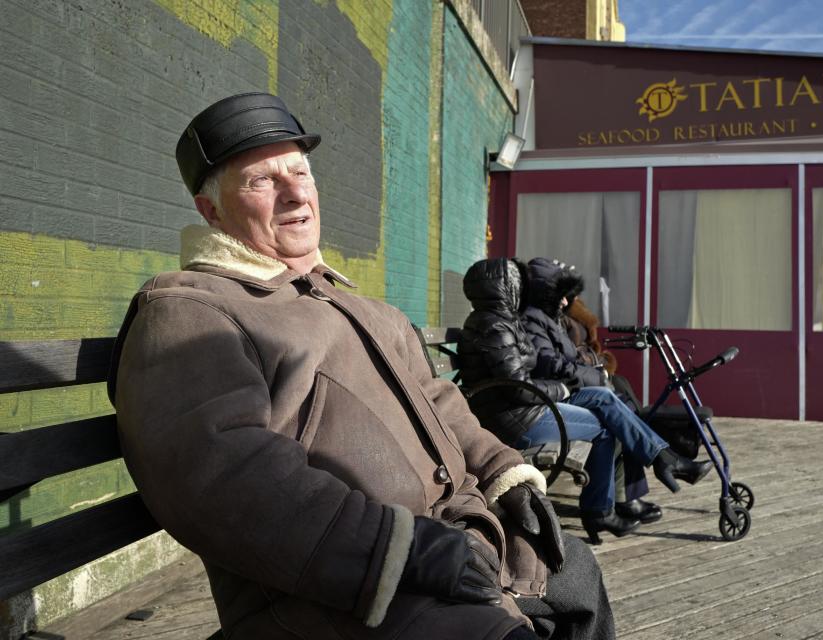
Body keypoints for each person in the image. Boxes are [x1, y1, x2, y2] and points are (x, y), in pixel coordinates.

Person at [108, 93, 613, 640]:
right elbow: (225, 476)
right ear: (211, 211)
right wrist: (401, 550)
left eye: (301, 171)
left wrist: (502, 473)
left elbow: (438, 397)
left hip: (462, 538)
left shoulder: (356, 305)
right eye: (261, 181)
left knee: (578, 573)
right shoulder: (191, 309)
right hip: (338, 595)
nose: (295, 193)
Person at [457, 257, 706, 544]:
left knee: (604, 397)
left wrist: (565, 381)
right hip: (516, 419)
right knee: (606, 426)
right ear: (503, 287)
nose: (519, 288)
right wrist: (561, 389)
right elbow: (517, 388)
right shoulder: (494, 326)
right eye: (515, 282)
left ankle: (662, 459)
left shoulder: (500, 321)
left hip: (525, 407)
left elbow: (522, 378)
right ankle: (608, 502)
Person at [559, 286, 661, 525]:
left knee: (627, 403)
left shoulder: (570, 311)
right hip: (575, 385)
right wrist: (595, 364)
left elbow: (581, 350)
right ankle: (627, 493)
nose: (564, 298)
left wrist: (598, 362)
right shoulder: (552, 319)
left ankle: (627, 492)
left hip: (587, 376)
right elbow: (566, 358)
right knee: (620, 414)